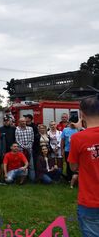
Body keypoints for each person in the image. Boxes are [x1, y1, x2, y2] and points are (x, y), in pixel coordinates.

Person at [68, 96, 99, 235]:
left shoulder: (78, 137)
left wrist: (81, 131)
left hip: (90, 200)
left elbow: (73, 167)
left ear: (81, 113)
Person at [15, 117, 36, 182]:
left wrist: (28, 146)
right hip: (21, 151)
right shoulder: (17, 129)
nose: (23, 122)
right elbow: (17, 140)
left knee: (31, 165)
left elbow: (32, 139)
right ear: (19, 122)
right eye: (21, 121)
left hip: (29, 150)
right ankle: (22, 179)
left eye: (24, 121)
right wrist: (23, 147)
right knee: (21, 165)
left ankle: (32, 179)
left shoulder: (30, 129)